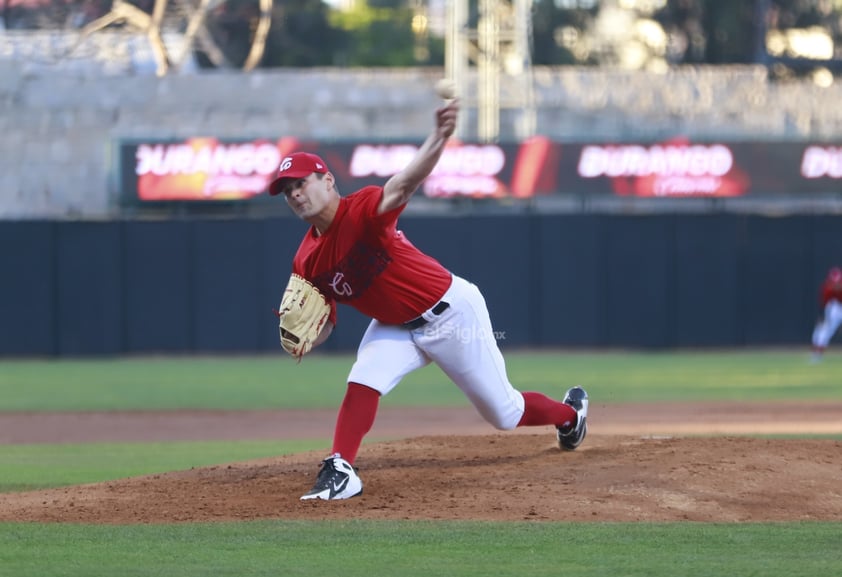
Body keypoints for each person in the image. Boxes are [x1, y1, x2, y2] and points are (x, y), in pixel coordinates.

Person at [267, 98, 589, 501]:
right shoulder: (306, 260)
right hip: (395, 325)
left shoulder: (363, 209)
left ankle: (570, 416)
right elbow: (327, 318)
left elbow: (403, 183)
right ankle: (341, 468)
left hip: (451, 314)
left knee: (504, 414)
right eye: (287, 191)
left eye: (302, 183)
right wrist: (307, 341)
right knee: (363, 378)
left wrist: (438, 136)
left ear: (327, 180)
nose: (296, 194)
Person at [811, 266, 842, 363]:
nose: (836, 285)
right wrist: (821, 316)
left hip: (837, 310)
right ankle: (817, 354)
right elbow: (824, 303)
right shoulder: (827, 288)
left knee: (824, 332)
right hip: (831, 310)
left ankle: (817, 355)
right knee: (822, 332)